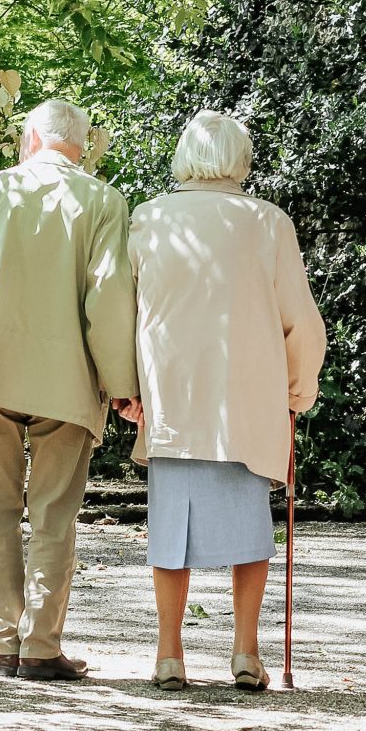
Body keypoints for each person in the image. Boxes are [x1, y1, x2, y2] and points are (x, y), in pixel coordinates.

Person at [0, 99, 140, 682]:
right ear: (82, 147)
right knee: (53, 516)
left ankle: (3, 643)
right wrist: (122, 385)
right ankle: (40, 647)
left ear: (30, 138)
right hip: (67, 380)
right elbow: (109, 298)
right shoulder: (103, 201)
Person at [123, 109, 326, 691]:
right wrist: (297, 390)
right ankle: (244, 651)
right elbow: (301, 323)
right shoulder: (267, 224)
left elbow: (124, 314)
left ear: (185, 157)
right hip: (247, 398)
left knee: (169, 530)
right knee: (249, 529)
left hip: (173, 397)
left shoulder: (149, 219)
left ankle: (169, 654)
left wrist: (127, 389)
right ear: (241, 160)